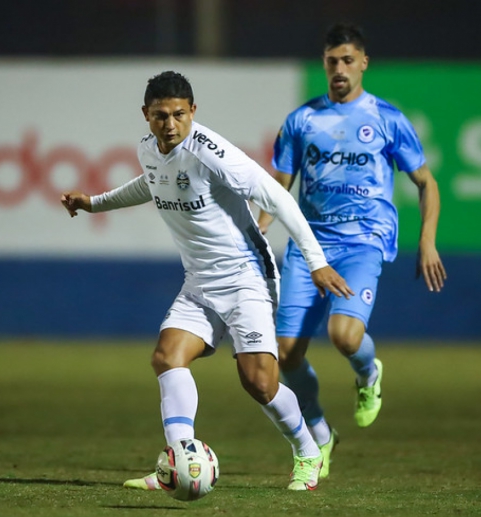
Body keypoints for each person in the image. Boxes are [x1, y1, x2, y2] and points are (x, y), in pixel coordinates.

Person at [61, 70, 353, 491]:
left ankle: (307, 451)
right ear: (146, 115)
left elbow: (277, 197)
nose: (170, 123)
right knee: (166, 357)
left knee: (259, 382)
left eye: (179, 114)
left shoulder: (211, 152)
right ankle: (182, 463)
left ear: (193, 111)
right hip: (199, 281)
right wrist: (96, 203)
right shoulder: (149, 150)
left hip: (247, 277)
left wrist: (316, 262)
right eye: (160, 115)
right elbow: (153, 184)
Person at [257, 23, 447, 479]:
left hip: (364, 241)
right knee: (285, 355)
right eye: (331, 62)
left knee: (344, 337)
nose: (339, 69)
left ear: (363, 63)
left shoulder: (387, 118)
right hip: (309, 245)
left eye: (347, 61)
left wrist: (426, 241)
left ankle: (368, 375)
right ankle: (321, 432)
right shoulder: (302, 121)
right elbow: (278, 187)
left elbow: (426, 182)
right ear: (323, 65)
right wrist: (257, 232)